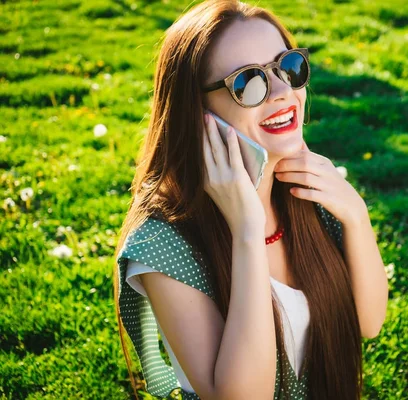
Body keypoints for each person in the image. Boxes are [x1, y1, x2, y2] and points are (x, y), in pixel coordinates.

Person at [112, 1, 389, 399]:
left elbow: (367, 322)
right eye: (248, 82)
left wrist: (357, 217)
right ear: (198, 112)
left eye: (288, 66)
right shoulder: (163, 245)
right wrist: (246, 230)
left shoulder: (310, 192)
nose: (282, 92)